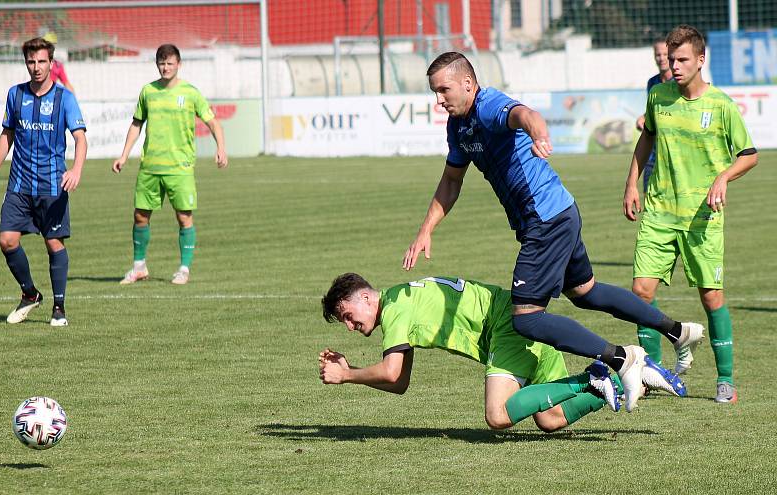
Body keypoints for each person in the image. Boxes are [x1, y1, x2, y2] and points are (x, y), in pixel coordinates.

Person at [402, 52, 703, 411]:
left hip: (546, 219)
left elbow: (525, 115)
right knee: (585, 292)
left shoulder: (487, 104)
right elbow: (452, 180)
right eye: (434, 92)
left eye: (444, 90)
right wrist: (426, 230)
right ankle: (677, 330)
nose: (439, 99)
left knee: (527, 319)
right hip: (555, 213)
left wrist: (539, 135)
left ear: (467, 83)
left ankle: (622, 359)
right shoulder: (458, 126)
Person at [319, 274, 685, 431]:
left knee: (497, 415)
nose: (352, 327)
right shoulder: (403, 303)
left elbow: (389, 371)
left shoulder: (396, 306)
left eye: (349, 317)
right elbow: (399, 381)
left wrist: (347, 373)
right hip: (521, 320)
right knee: (550, 419)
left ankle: (592, 377)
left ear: (367, 297)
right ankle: (629, 379)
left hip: (507, 325)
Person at [623, 25, 758, 404]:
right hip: (660, 211)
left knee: (711, 296)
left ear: (701, 60)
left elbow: (749, 154)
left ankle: (726, 379)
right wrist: (632, 183)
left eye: (682, 59)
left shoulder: (721, 105)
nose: (675, 66)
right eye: (671, 58)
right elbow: (646, 137)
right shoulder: (658, 97)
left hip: (703, 217)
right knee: (640, 292)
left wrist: (723, 178)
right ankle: (650, 372)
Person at [0, 37, 87, 326]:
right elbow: (7, 135)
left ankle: (59, 308)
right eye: (31, 61)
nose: (36, 67)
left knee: (54, 244)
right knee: (6, 239)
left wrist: (76, 169)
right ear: (25, 63)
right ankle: (30, 294)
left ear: (51, 63)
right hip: (19, 186)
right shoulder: (15, 95)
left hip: (52, 185)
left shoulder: (65, 98)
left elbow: (80, 138)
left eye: (41, 61)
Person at [112, 44, 227, 285]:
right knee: (140, 216)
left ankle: (184, 269)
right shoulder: (148, 91)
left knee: (184, 217)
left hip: (180, 167)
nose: (165, 67)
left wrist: (221, 149)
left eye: (170, 63)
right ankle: (139, 267)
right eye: (162, 63)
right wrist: (124, 155)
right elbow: (136, 124)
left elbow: (214, 123)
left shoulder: (191, 93)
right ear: (157, 64)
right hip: (150, 166)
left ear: (179, 64)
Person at [634, 39, 672, 193]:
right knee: (650, 202)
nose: (661, 58)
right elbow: (652, 109)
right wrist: (643, 118)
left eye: (665, 54)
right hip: (651, 154)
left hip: (670, 153)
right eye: (658, 54)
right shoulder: (652, 82)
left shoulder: (679, 83)